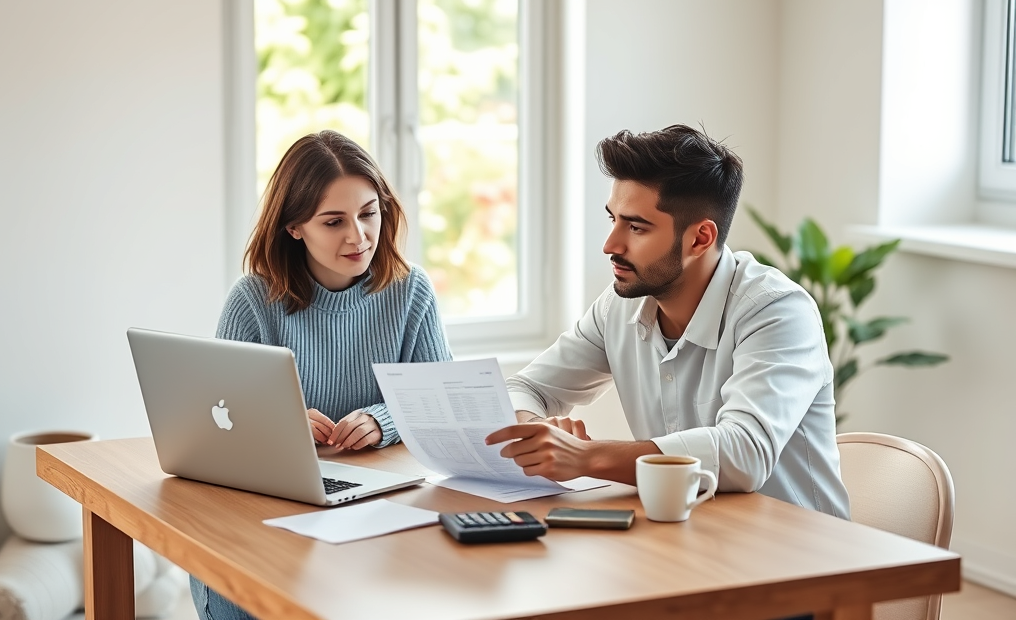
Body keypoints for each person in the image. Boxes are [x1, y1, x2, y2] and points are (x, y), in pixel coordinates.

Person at [486, 124, 850, 522]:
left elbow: (743, 453)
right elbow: (526, 387)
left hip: (799, 557)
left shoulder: (776, 311)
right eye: (613, 219)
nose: (611, 244)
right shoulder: (618, 307)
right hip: (686, 540)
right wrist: (535, 432)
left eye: (636, 227)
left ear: (699, 239)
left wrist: (585, 457)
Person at [190, 130, 452, 620]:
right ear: (294, 226)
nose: (358, 236)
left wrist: (383, 419)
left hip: (370, 506)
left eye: (368, 213)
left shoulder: (410, 290)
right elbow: (217, 425)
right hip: (265, 512)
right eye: (333, 221)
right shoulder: (253, 300)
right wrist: (278, 424)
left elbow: (441, 402)